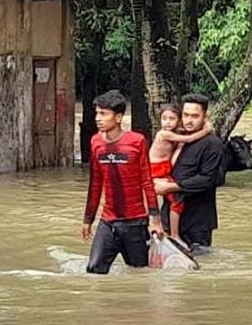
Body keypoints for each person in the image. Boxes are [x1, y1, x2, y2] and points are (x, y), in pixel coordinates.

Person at [81, 90, 163, 274]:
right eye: (97, 113)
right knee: (94, 270)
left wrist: (155, 219)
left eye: (103, 114)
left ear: (118, 117)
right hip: (108, 221)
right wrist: (88, 220)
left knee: (140, 271)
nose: (98, 118)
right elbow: (95, 184)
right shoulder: (95, 142)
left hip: (135, 223)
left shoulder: (137, 141)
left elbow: (147, 182)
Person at [154, 94, 226, 256]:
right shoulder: (176, 138)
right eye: (186, 115)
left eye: (195, 116)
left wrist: (171, 186)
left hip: (197, 224)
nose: (189, 120)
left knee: (198, 272)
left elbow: (211, 179)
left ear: (205, 117)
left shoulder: (212, 144)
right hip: (168, 220)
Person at [149, 104, 212, 239]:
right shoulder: (164, 134)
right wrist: (206, 130)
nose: (167, 122)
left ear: (178, 121)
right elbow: (189, 138)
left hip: (164, 168)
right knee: (176, 202)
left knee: (170, 201)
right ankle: (174, 234)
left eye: (171, 119)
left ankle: (164, 229)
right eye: (164, 118)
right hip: (158, 170)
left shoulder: (175, 132)